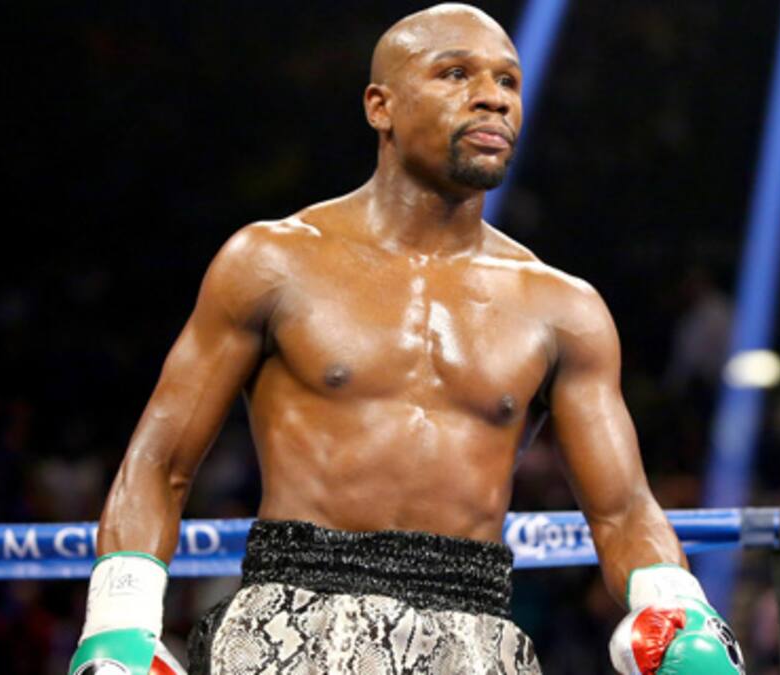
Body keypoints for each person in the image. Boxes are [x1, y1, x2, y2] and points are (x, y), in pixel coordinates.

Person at [68, 4, 743, 674]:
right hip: (292, 623)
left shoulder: (562, 308)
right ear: (380, 107)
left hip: (475, 639)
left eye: (508, 80)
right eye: (456, 73)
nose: (493, 97)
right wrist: (118, 622)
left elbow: (623, 508)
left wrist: (676, 609)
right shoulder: (272, 262)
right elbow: (160, 461)